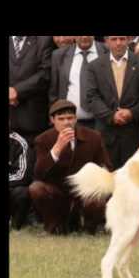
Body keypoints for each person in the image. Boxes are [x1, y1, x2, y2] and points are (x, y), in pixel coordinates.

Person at [29, 100, 113, 234]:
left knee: (98, 195)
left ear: (76, 118)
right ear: (52, 120)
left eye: (70, 118)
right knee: (36, 188)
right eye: (61, 119)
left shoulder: (93, 137)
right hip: (58, 190)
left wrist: (93, 182)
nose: (66, 122)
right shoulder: (43, 139)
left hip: (84, 190)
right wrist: (57, 148)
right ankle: (54, 227)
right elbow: (38, 174)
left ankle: (89, 229)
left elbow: (106, 167)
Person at [86, 36, 139, 169]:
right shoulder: (94, 66)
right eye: (114, 39)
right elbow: (92, 97)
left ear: (128, 40)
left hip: (134, 134)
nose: (118, 43)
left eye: (122, 38)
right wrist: (111, 116)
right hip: (106, 134)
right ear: (106, 41)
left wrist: (132, 113)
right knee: (106, 181)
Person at [49, 36, 109, 129]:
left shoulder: (108, 51)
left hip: (103, 123)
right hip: (69, 124)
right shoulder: (59, 55)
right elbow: (54, 90)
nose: (84, 37)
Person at [9, 36, 54, 145]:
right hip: (10, 118)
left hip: (32, 120)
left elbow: (45, 73)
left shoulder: (43, 40)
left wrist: (17, 91)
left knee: (32, 159)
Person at [10, 129, 35, 230]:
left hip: (11, 186)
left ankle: (16, 226)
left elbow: (22, 175)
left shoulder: (18, 142)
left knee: (22, 193)